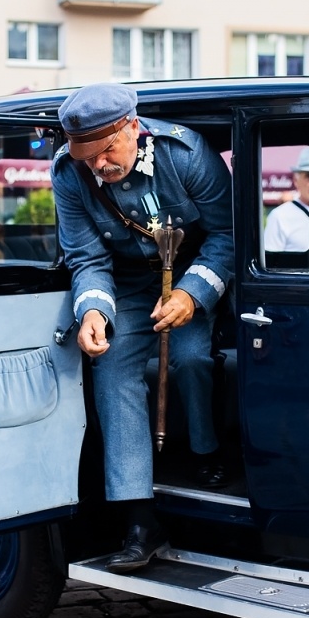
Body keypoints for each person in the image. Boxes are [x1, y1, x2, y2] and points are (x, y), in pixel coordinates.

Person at [51, 82, 233, 572]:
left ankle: (205, 451)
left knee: (192, 358)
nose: (99, 168)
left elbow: (229, 234)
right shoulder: (70, 174)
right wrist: (92, 313)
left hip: (192, 275)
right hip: (127, 286)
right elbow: (86, 256)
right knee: (109, 370)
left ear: (134, 127)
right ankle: (139, 519)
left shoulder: (187, 154)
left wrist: (193, 294)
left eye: (107, 152)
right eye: (87, 159)